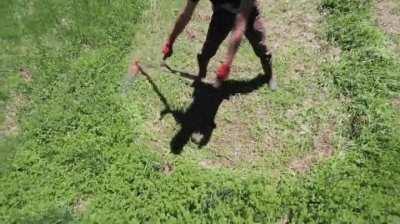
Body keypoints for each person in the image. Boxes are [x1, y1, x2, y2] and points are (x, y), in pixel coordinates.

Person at [162, 0, 277, 90]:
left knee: (260, 46)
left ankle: (269, 75)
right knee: (208, 50)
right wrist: (170, 42)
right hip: (222, 14)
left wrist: (227, 64)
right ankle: (202, 73)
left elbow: (239, 26)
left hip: (248, 14)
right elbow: (185, 15)